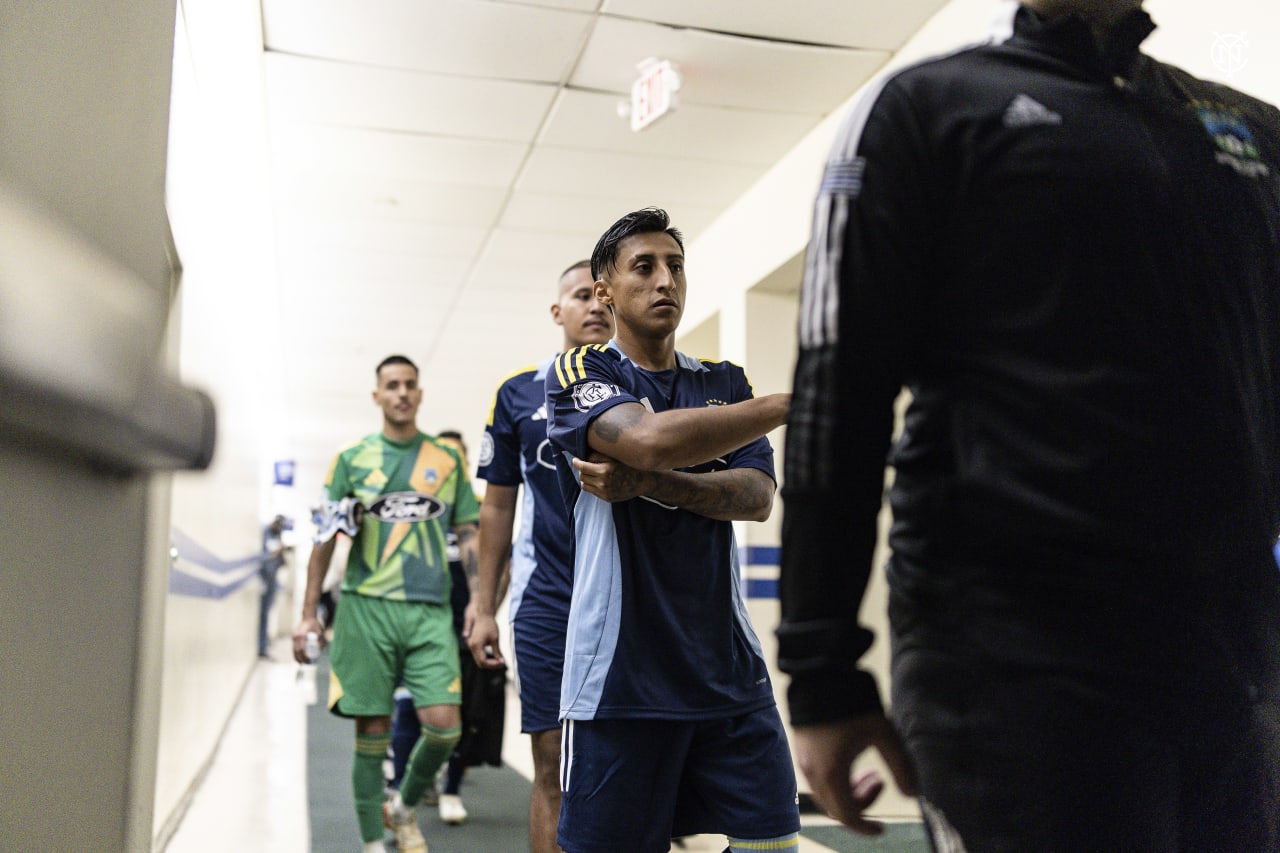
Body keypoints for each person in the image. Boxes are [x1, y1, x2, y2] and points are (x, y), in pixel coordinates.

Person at [777, 1, 1280, 850]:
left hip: (1234, 665)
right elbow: (839, 393)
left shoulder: (1253, 135)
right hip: (1015, 670)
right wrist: (822, 674)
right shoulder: (928, 109)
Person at [542, 208, 798, 853]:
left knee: (774, 844)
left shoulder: (724, 382)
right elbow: (647, 440)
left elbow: (756, 497)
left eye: (675, 267)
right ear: (604, 290)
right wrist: (794, 402)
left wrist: (651, 486)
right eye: (644, 267)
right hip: (619, 679)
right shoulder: (580, 373)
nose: (665, 282)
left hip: (728, 672)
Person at [293, 354, 481, 853]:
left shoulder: (445, 460)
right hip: (365, 608)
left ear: (420, 394)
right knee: (372, 731)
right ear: (376, 395)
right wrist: (308, 612)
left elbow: (468, 530)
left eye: (410, 385)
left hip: (428, 610)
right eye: (392, 385)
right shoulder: (352, 458)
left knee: (444, 728)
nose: (401, 393)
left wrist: (480, 603)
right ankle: (373, 841)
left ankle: (402, 807)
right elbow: (325, 536)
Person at [465, 259, 614, 853]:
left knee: (620, 767)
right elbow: (496, 508)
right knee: (551, 764)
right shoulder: (518, 393)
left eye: (605, 295)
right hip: (547, 600)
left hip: (630, 602)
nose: (596, 306)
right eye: (582, 295)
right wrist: (483, 607)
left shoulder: (649, 387)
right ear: (559, 312)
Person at [388, 429, 506, 826]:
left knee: (459, 713)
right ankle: (404, 785)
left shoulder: (477, 507)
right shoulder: (419, 509)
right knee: (408, 711)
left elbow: (501, 565)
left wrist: (486, 610)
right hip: (422, 622)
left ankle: (451, 789)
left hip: (464, 627)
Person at [257, 514, 287, 658]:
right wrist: (274, 554)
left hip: (272, 578)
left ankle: (264, 644)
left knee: (267, 612)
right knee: (262, 614)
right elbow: (262, 556)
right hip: (264, 578)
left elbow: (280, 560)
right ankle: (261, 647)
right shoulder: (264, 533)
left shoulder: (277, 535)